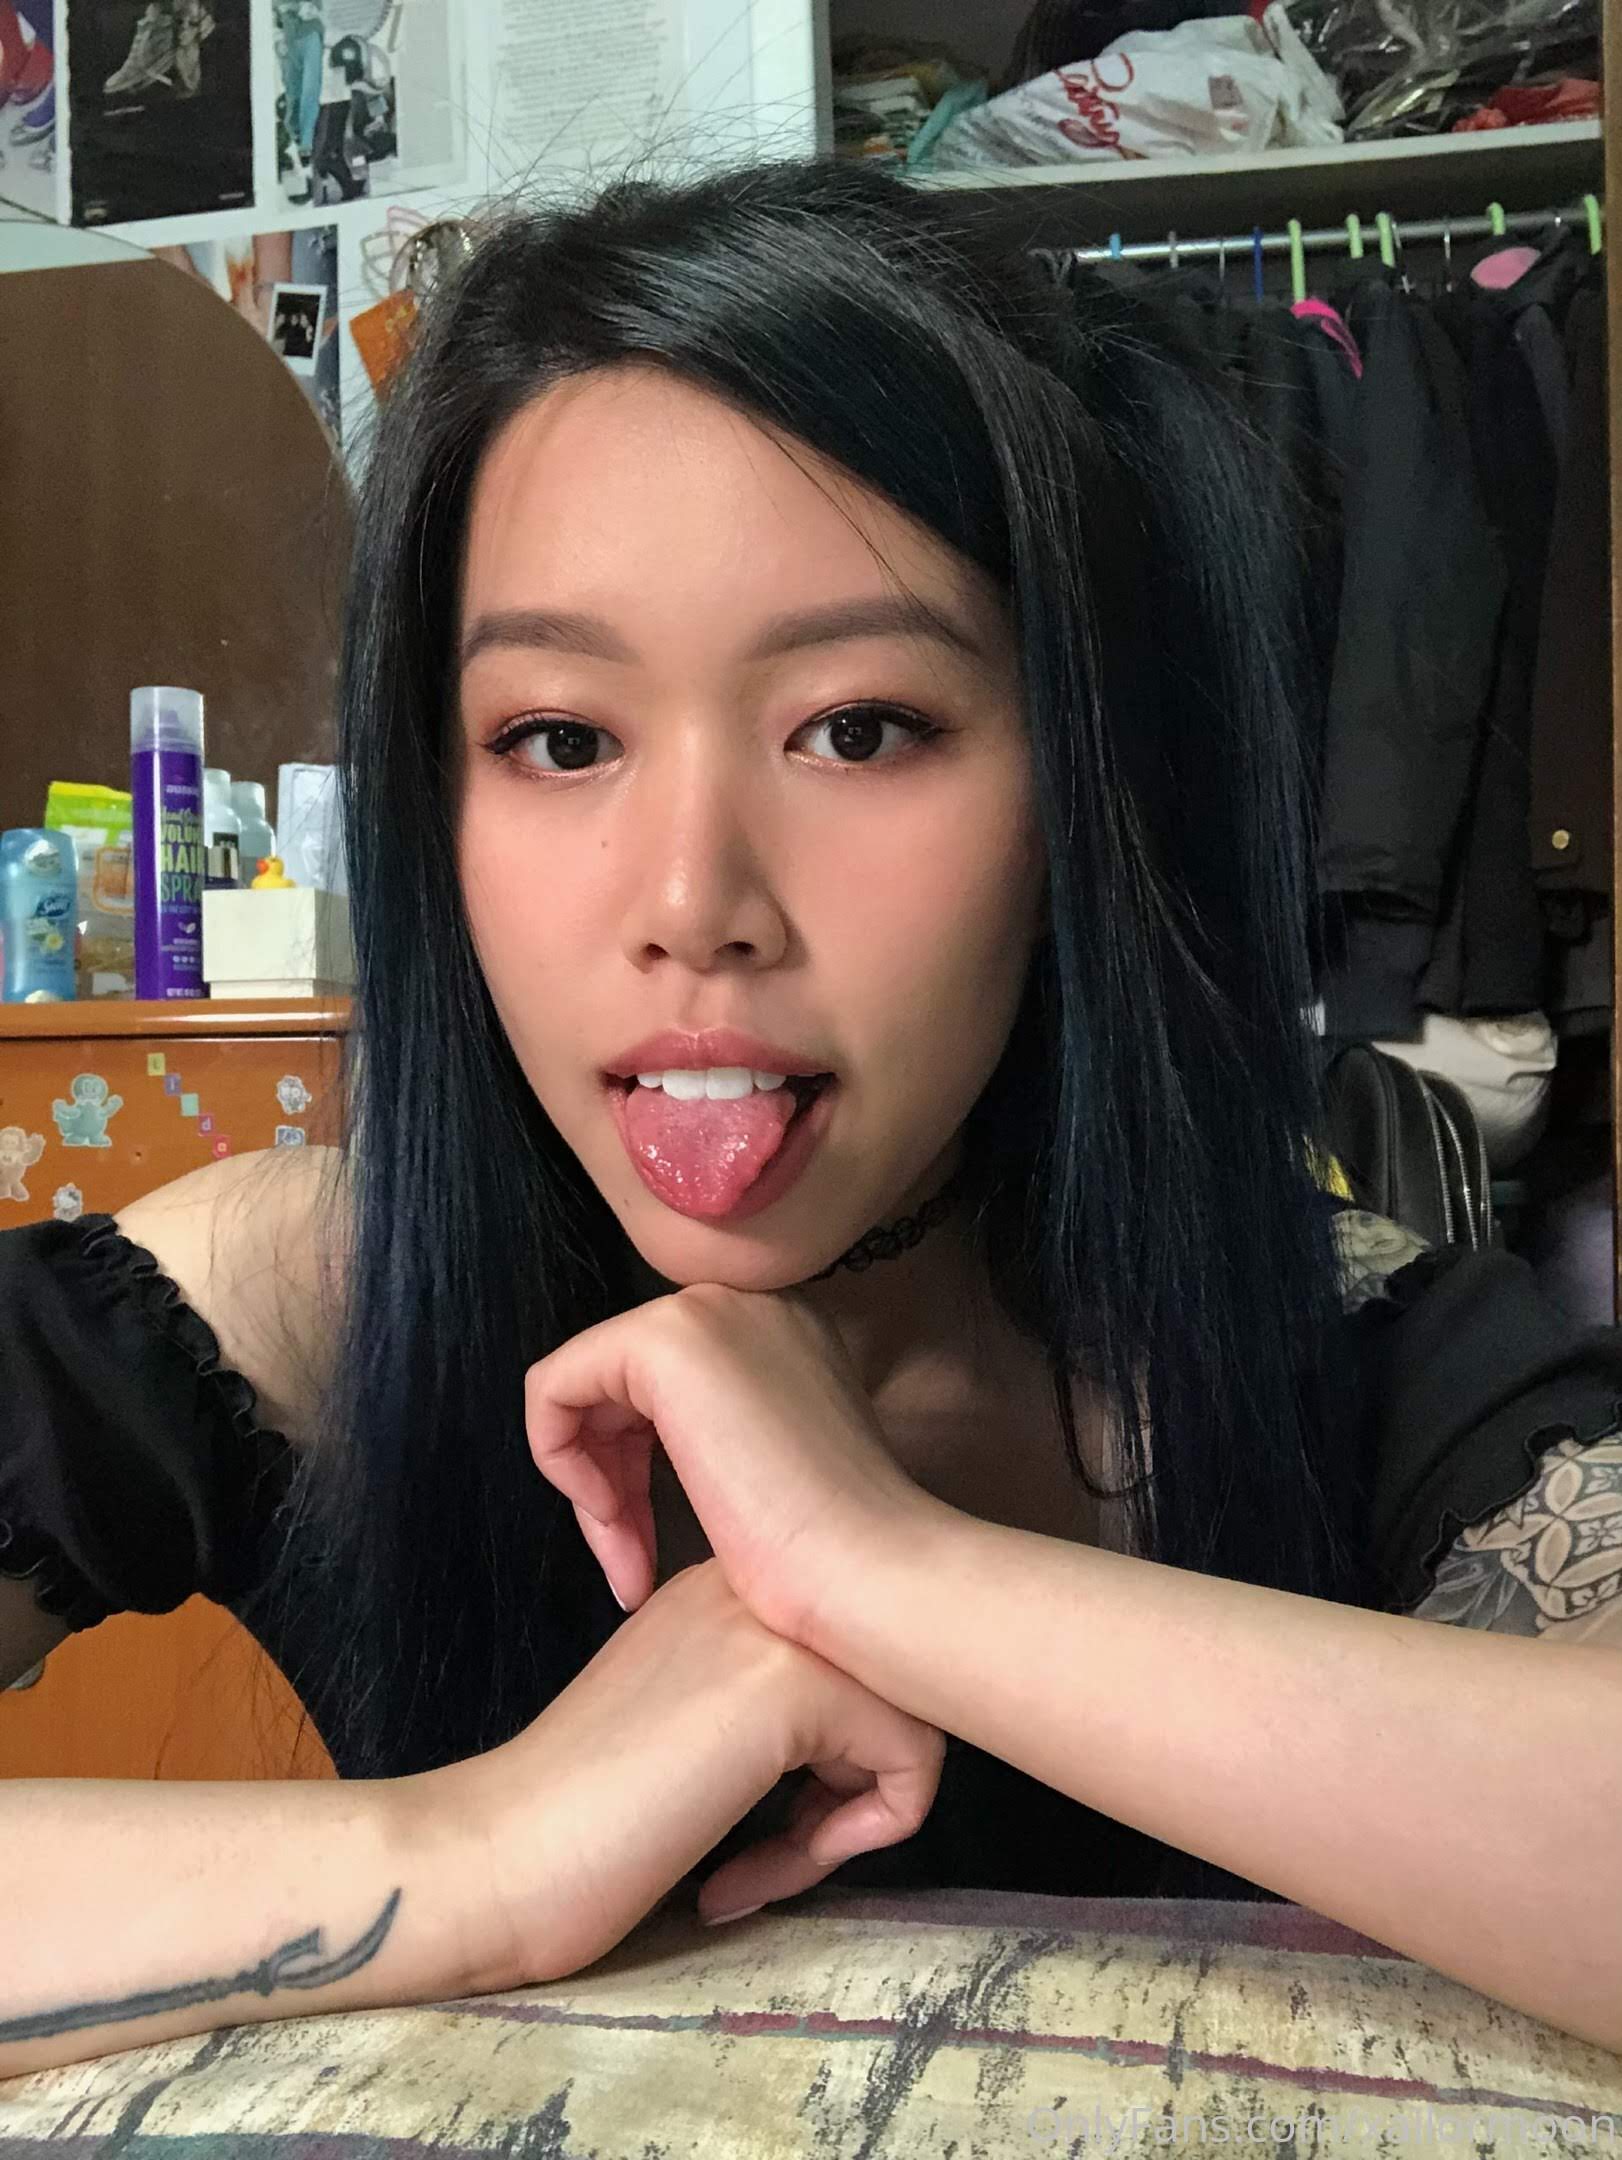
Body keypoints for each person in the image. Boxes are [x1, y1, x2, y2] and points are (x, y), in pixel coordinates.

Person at [2, 158, 1621, 2081]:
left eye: (858, 728)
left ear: (1084, 793)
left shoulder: (1356, 1346)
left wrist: (889, 1571)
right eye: (557, 739)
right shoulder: (298, 1294)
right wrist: (480, 1850)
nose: (692, 900)